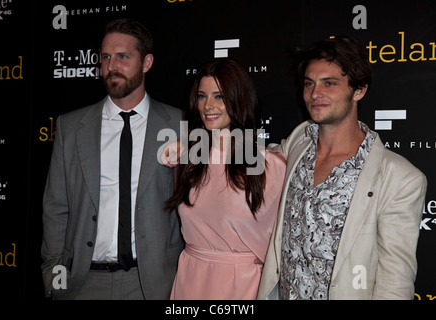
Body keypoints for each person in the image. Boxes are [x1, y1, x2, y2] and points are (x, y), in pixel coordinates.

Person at [257, 36, 427, 300]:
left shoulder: (400, 179)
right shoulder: (299, 140)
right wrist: (191, 144)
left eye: (330, 83)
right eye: (309, 84)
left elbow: (396, 280)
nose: (315, 94)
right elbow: (253, 156)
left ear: (358, 90)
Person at [41, 18, 184, 299]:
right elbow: (56, 207)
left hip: (152, 285)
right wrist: (52, 275)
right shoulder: (71, 127)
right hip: (82, 282)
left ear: (147, 63)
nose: (111, 66)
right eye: (105, 57)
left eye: (123, 57)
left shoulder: (179, 125)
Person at [164, 59, 286, 300]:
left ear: (238, 99)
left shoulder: (269, 166)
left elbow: (280, 241)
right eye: (202, 96)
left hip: (242, 286)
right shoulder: (190, 159)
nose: (208, 105)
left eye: (219, 96)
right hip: (190, 279)